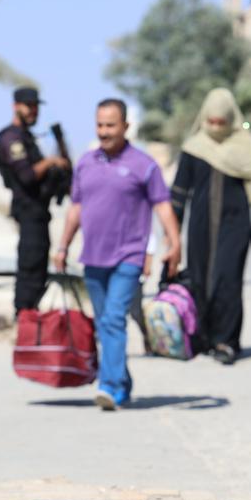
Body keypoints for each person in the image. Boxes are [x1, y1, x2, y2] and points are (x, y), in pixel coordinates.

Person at [54, 99, 180, 410]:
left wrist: (175, 242)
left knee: (113, 319)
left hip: (129, 255)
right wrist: (63, 245)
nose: (104, 131)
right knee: (104, 322)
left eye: (111, 125)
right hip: (93, 257)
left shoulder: (144, 165)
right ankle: (122, 383)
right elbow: (76, 209)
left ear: (125, 127)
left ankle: (108, 385)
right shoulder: (85, 163)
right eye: (100, 125)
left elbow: (162, 205)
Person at [170, 88, 251, 366]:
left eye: (222, 122)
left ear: (231, 119)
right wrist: (172, 236)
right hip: (200, 225)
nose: (216, 128)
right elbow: (179, 192)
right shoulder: (194, 147)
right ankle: (201, 336)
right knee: (199, 277)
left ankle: (226, 341)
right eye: (212, 122)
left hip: (236, 224)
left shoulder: (244, 146)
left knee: (227, 280)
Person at [0, 88, 70, 313]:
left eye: (36, 106)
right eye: (28, 106)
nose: (33, 111)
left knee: (38, 272)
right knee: (29, 270)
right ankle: (24, 319)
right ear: (15, 106)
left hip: (39, 212)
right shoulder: (11, 137)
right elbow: (27, 175)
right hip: (28, 211)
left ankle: (30, 318)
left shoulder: (27, 137)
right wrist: (50, 162)